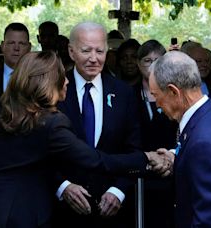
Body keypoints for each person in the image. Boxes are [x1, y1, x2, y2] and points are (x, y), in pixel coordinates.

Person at [0, 51, 170, 228]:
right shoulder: (52, 123)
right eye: (62, 76)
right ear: (47, 83)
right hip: (23, 215)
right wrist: (146, 158)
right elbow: (95, 160)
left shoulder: (1, 108)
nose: (68, 81)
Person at [53, 22, 143, 228]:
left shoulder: (124, 93)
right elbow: (42, 149)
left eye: (100, 51)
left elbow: (134, 149)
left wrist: (118, 191)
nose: (94, 58)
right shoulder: (54, 90)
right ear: (71, 51)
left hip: (113, 211)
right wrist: (62, 186)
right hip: (64, 212)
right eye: (86, 50)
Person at [149, 51, 211, 227]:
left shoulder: (204, 142)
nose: (157, 104)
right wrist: (177, 157)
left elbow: (208, 218)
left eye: (156, 95)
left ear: (174, 92)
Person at [135, 39, 178, 228]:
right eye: (147, 60)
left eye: (157, 60)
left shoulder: (174, 94)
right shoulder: (128, 95)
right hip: (140, 173)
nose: (152, 65)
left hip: (169, 169)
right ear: (138, 64)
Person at [0, 22, 31, 94]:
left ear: (29, 47)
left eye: (21, 43)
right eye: (11, 43)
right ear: (2, 46)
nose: (16, 48)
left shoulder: (39, 78)